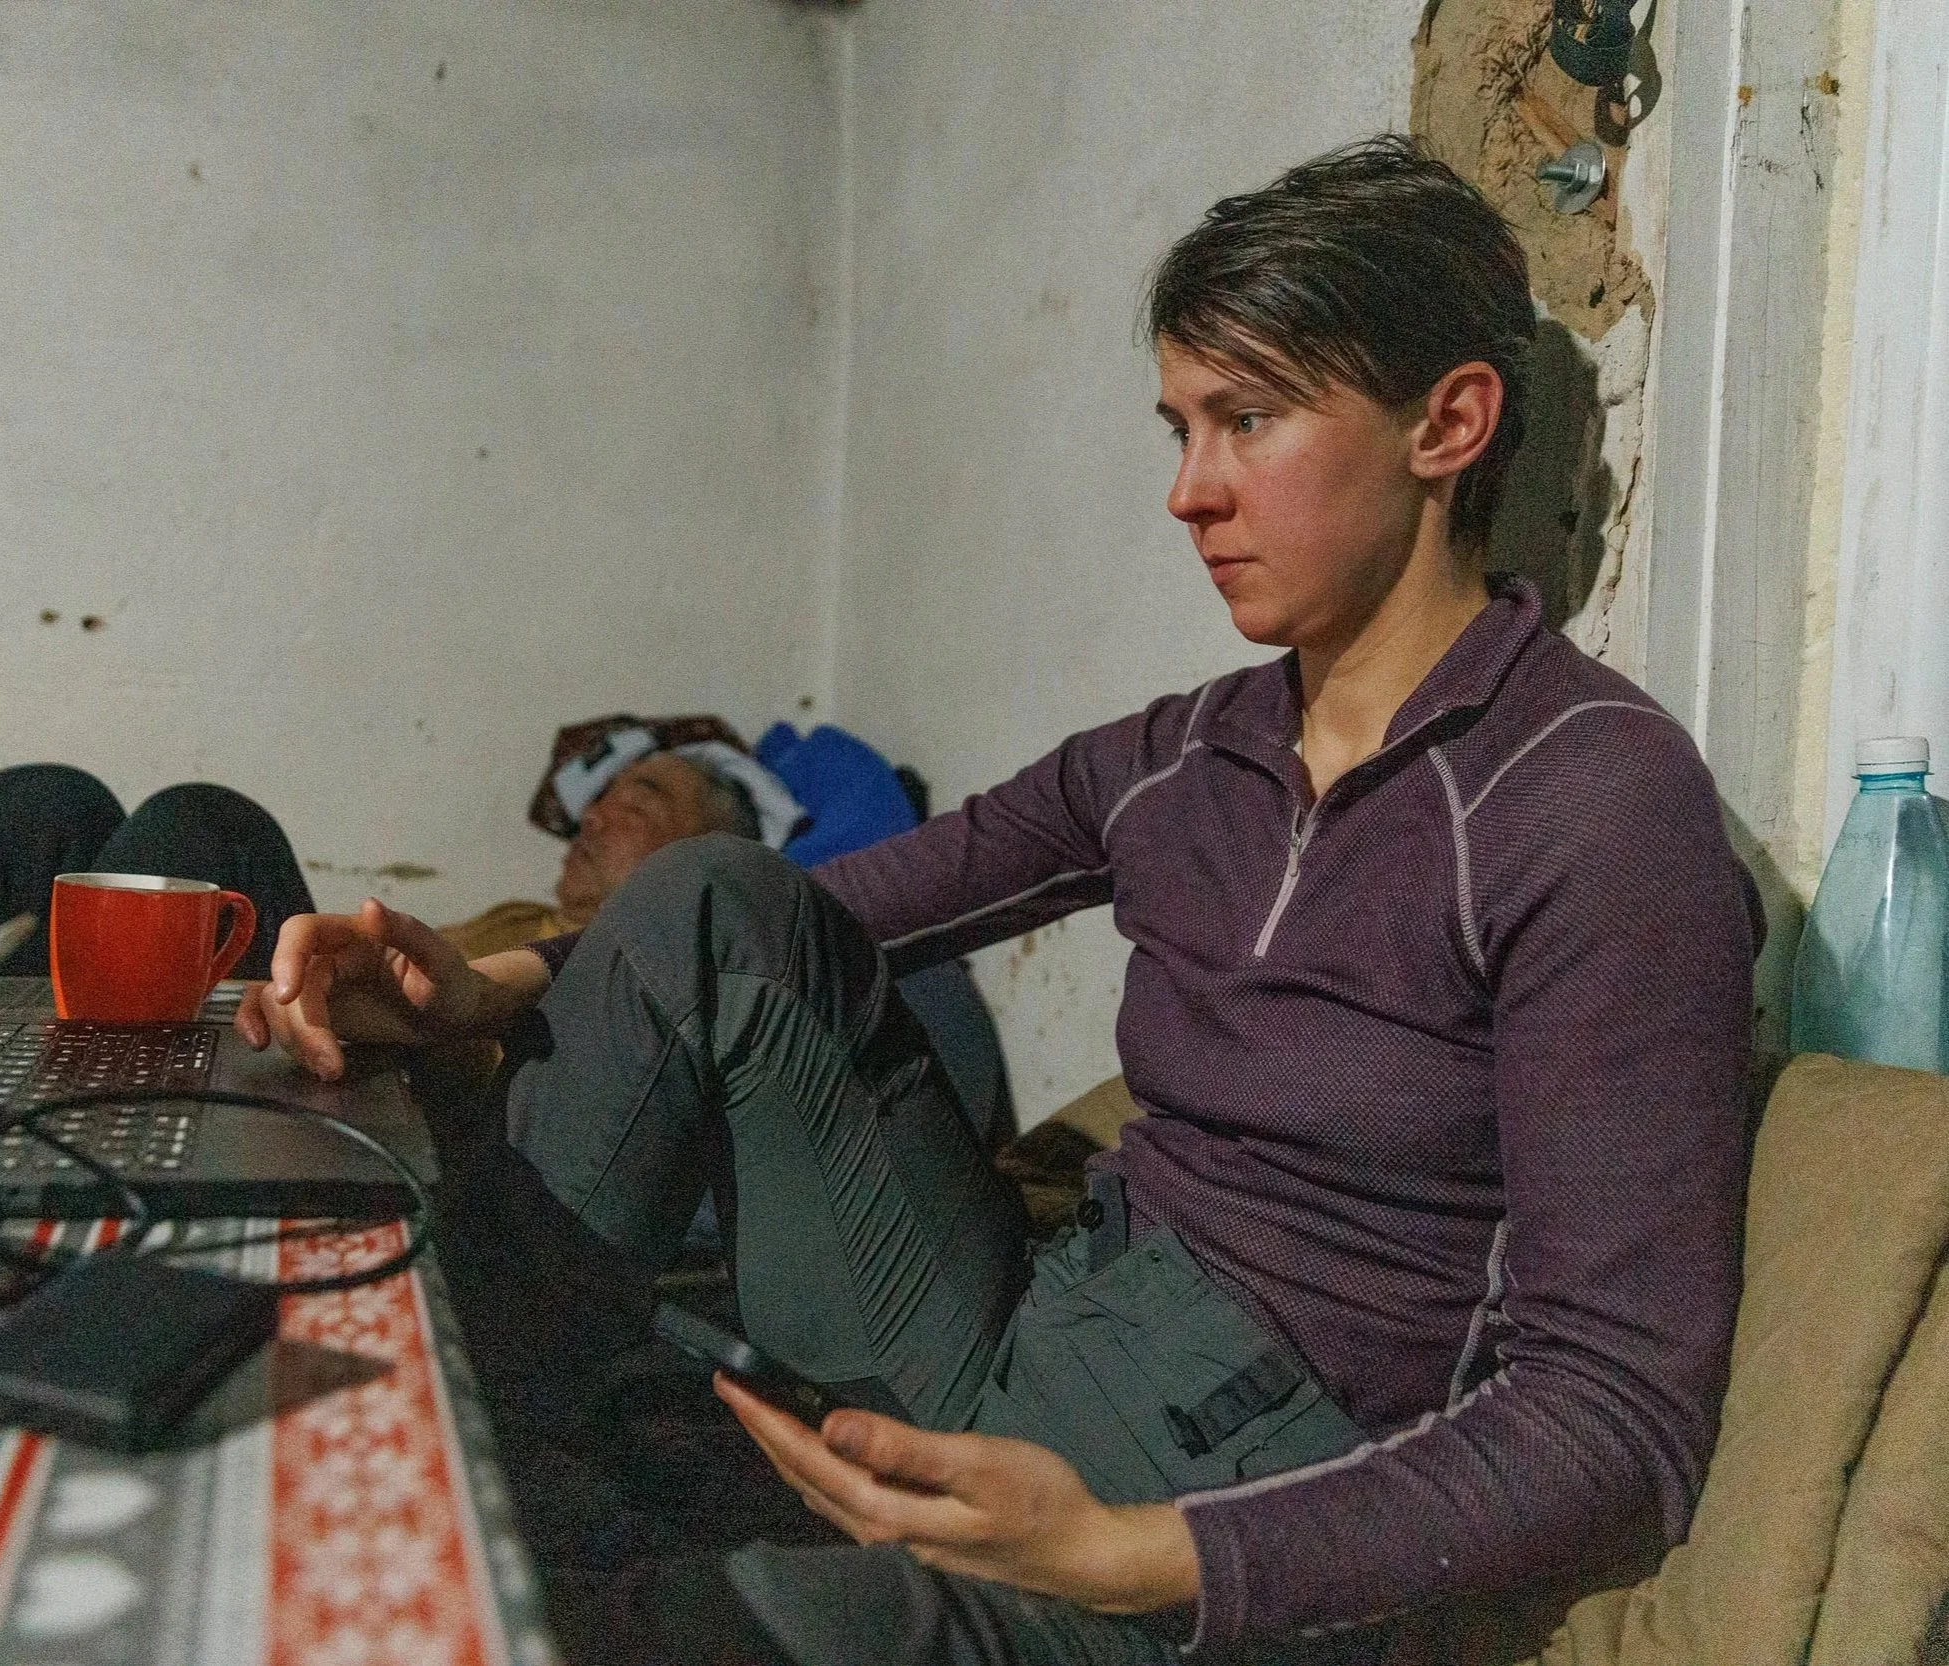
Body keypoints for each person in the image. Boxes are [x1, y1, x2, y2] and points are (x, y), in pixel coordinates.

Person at [236, 135, 1761, 1665]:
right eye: (1177, 426)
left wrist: (1128, 1551)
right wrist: (489, 986)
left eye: (1248, 420)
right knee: (711, 897)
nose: (1188, 492)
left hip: (1248, 1507)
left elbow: (1613, 1419)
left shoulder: (1588, 800)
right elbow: (819, 912)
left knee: (655, 1626)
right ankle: (441, 1435)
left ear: (1448, 424)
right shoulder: (1192, 751)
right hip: (1034, 1337)